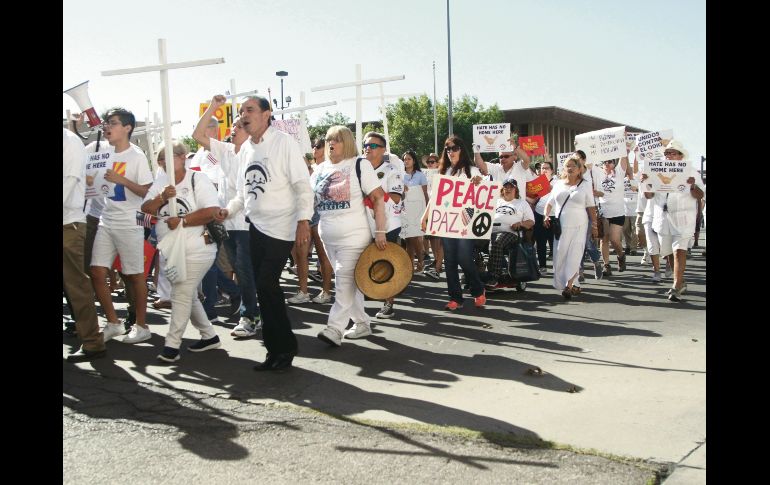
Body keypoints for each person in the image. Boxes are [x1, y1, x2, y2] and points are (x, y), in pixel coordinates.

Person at [219, 95, 314, 371]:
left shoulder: (284, 143)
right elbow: (242, 194)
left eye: (249, 110)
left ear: (266, 114)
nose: (243, 115)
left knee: (265, 284)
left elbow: (302, 185)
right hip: (255, 228)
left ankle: (284, 347)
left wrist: (303, 221)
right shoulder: (246, 150)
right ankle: (276, 350)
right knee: (265, 289)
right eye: (241, 111)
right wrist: (227, 211)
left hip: (281, 228)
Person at [141, 141, 223, 362]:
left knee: (180, 293)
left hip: (199, 248)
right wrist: (161, 198)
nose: (164, 162)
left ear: (182, 157)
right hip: (171, 251)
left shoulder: (198, 179)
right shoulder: (160, 182)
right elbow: (145, 208)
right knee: (188, 294)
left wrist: (183, 221)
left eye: (169, 157)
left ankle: (172, 346)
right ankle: (209, 336)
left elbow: (212, 211)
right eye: (160, 159)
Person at [312, 126, 387, 344]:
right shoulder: (320, 169)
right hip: (328, 237)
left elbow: (378, 198)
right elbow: (309, 200)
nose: (331, 143)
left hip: (354, 236)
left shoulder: (359, 164)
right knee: (349, 281)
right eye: (328, 139)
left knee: (343, 280)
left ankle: (334, 328)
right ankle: (362, 323)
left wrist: (380, 231)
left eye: (337, 140)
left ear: (347, 143)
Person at [193, 97, 261, 337]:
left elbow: (245, 193)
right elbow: (197, 134)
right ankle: (252, 312)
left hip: (246, 223)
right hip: (226, 223)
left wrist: (228, 211)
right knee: (237, 270)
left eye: (240, 126)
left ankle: (250, 316)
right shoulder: (224, 150)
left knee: (244, 271)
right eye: (233, 126)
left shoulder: (254, 154)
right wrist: (213, 107)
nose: (234, 129)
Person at [89, 108, 154, 343]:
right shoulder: (102, 152)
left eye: (113, 123)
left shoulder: (136, 156)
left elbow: (147, 191)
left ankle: (141, 326)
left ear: (127, 128)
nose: (107, 127)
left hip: (130, 223)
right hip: (106, 220)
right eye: (107, 122)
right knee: (97, 271)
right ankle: (113, 322)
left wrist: (122, 180)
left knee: (135, 275)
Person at [422, 135, 486, 310]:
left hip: (466, 220)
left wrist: (478, 183)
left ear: (461, 150)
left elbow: (483, 191)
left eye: (454, 148)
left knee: (464, 257)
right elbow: (435, 198)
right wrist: (425, 216)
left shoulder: (471, 170)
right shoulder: (444, 172)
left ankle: (478, 289)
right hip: (447, 220)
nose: (451, 152)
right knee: (449, 260)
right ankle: (455, 298)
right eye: (448, 149)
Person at [63, 129, 107, 362]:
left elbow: (69, 182)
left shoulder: (70, 141)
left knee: (76, 285)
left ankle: (92, 341)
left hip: (68, 224)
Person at [645, 140, 704, 302]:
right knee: (668, 252)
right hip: (663, 218)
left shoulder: (691, 171)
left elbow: (701, 195)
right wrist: (646, 183)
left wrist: (692, 186)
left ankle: (676, 286)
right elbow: (649, 196)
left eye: (672, 153)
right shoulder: (656, 170)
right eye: (666, 153)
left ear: (680, 155)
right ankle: (680, 281)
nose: (668, 156)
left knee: (679, 250)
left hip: (683, 217)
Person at [543, 154, 599, 298]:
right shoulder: (558, 184)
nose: (570, 168)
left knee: (575, 254)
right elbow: (549, 203)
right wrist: (546, 215)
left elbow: (591, 206)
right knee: (560, 254)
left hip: (580, 224)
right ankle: (573, 284)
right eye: (568, 166)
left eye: (573, 166)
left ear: (579, 169)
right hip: (561, 225)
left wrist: (594, 225)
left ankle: (569, 285)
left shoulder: (585, 184)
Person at [287, 137, 334, 305]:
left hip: (320, 213)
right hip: (304, 214)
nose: (315, 149)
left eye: (318, 146)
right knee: (301, 255)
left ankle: (326, 291)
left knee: (323, 254)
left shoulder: (327, 167)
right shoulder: (306, 166)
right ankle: (303, 292)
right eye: (314, 146)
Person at [363, 131, 403, 319]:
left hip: (388, 225)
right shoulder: (360, 168)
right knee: (366, 263)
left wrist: (372, 195)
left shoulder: (391, 170)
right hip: (364, 224)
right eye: (365, 145)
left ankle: (389, 303)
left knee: (386, 264)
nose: (367, 149)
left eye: (372, 146)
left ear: (383, 149)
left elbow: (395, 198)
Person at [485, 178, 535, 287]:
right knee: (471, 243)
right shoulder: (495, 201)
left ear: (516, 190)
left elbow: (531, 222)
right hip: (489, 231)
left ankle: (494, 276)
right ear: (502, 189)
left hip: (511, 232)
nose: (508, 189)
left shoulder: (522, 203)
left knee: (497, 241)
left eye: (511, 187)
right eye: (506, 187)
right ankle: (474, 273)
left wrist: (520, 223)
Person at [596, 157, 633, 275]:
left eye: (610, 162)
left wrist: (625, 148)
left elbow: (623, 157)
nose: (607, 164)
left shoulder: (619, 173)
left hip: (618, 212)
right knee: (604, 240)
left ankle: (621, 256)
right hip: (603, 213)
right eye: (605, 162)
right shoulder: (598, 174)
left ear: (614, 164)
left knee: (615, 240)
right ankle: (606, 265)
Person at [400, 149, 429, 273]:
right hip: (405, 209)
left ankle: (421, 261)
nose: (406, 161)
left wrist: (427, 211)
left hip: (418, 209)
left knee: (416, 237)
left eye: (409, 159)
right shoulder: (400, 175)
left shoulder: (420, 175)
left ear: (414, 161)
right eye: (404, 159)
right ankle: (410, 265)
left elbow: (425, 193)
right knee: (408, 238)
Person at [532, 161, 557, 272]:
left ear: (552, 170)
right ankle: (542, 266)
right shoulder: (536, 182)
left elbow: (556, 193)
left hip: (554, 215)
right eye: (542, 168)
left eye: (547, 168)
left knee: (555, 242)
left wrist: (546, 183)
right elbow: (533, 199)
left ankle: (557, 266)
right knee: (540, 241)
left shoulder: (557, 181)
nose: (544, 170)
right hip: (539, 214)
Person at [422, 152, 443, 279]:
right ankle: (436, 260)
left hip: (439, 208)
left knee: (438, 238)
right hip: (429, 207)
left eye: (432, 162)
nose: (430, 164)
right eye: (428, 162)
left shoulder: (441, 174)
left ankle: (438, 263)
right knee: (431, 237)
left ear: (437, 163)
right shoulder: (425, 175)